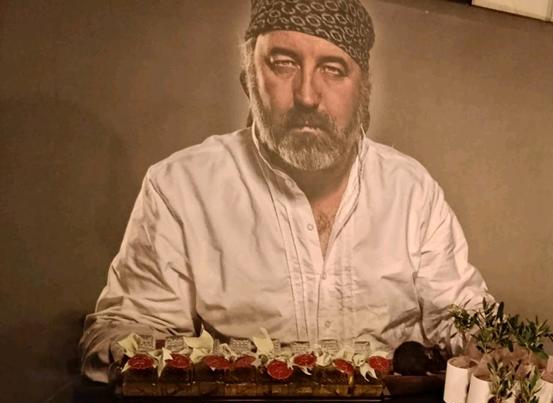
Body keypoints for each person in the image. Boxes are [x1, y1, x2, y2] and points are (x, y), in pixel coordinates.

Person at [79, 0, 488, 382]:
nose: (307, 95)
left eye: (333, 69)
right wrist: (140, 352)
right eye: (283, 64)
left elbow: (462, 316)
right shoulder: (181, 188)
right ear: (248, 80)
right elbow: (128, 327)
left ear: (364, 90)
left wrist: (489, 346)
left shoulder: (412, 191)